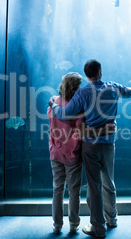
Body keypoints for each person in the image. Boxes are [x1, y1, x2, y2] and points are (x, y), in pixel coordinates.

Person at [49, 59, 131, 238]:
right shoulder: (113, 87)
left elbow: (63, 113)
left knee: (94, 186)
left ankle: (98, 226)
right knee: (109, 181)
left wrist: (52, 104)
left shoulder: (82, 93)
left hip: (89, 146)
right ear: (100, 71)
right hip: (109, 144)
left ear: (87, 74)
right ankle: (112, 219)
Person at [47, 72, 84, 235]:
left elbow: (51, 121)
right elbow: (80, 131)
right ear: (76, 88)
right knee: (74, 190)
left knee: (57, 189)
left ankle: (57, 225)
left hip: (55, 152)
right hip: (72, 155)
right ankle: (73, 224)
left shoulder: (54, 101)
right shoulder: (77, 106)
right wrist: (75, 147)